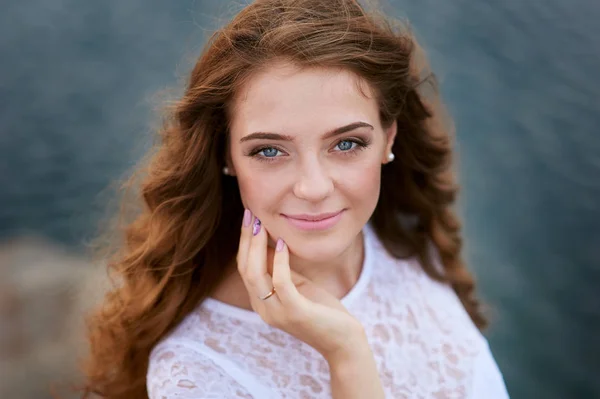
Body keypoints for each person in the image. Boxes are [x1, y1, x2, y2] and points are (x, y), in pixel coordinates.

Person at [79, 0, 510, 398]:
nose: (313, 187)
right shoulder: (195, 372)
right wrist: (346, 356)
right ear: (225, 157)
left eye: (346, 144)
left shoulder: (406, 240)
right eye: (269, 150)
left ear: (388, 139)